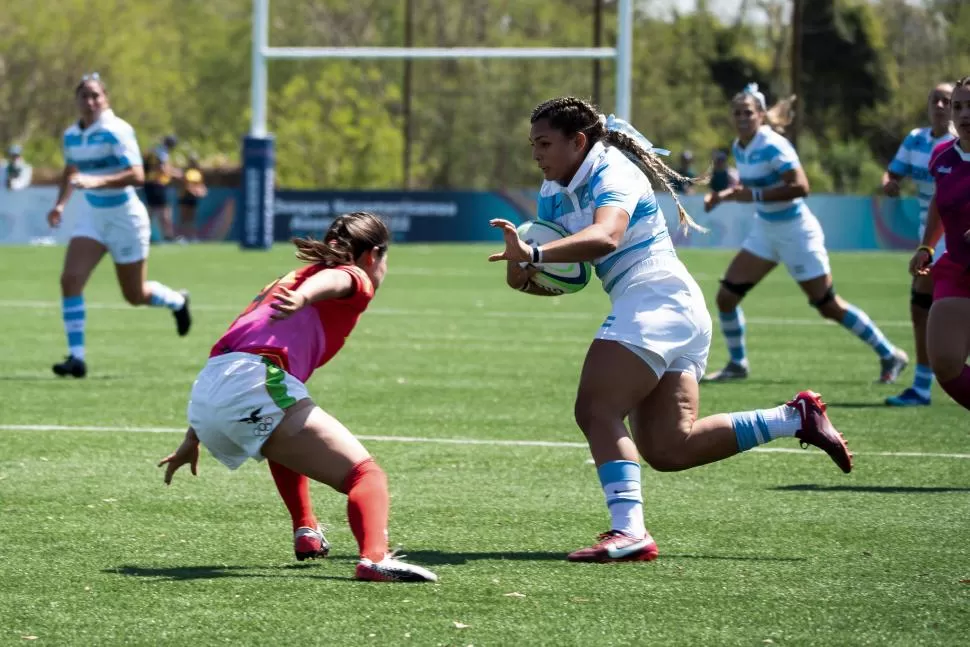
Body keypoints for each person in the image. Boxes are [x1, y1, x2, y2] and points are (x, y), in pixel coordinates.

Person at [488, 96, 852, 563]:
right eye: (532, 144)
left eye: (544, 143)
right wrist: (520, 270)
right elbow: (569, 278)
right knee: (667, 446)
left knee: (596, 408)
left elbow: (606, 237)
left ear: (578, 141)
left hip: (657, 296)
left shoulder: (611, 170)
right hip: (665, 307)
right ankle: (792, 417)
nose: (536, 154)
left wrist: (535, 256)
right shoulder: (551, 192)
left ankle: (629, 531)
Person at [157, 212, 438, 582]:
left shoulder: (284, 282)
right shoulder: (352, 275)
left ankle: (306, 529)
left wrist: (192, 437)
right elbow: (340, 277)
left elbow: (229, 353)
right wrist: (304, 298)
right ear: (372, 256)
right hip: (254, 379)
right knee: (366, 475)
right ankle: (375, 558)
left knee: (281, 434)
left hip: (211, 386)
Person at [702, 83, 908, 383]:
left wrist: (752, 197)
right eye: (737, 113)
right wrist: (722, 196)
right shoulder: (739, 147)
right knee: (726, 298)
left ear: (760, 115)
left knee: (827, 305)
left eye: (748, 112)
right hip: (766, 230)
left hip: (796, 232)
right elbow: (752, 188)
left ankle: (891, 355)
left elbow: (801, 187)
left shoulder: (773, 145)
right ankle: (737, 364)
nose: (742, 118)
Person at [47, 74, 191, 379]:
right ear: (76, 101)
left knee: (134, 294)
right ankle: (77, 358)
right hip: (93, 216)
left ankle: (177, 301)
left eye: (95, 96)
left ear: (106, 99)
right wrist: (60, 204)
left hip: (125, 218)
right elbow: (70, 170)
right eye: (84, 96)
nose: (90, 101)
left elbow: (138, 174)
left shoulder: (117, 130)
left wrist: (97, 181)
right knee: (70, 279)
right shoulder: (72, 135)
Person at [883, 83, 956, 407]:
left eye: (947, 100)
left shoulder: (958, 144)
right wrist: (891, 183)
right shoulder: (916, 140)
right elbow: (893, 172)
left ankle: (925, 386)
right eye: (934, 99)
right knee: (922, 307)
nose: (940, 105)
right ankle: (923, 386)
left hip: (952, 237)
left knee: (929, 307)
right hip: (929, 236)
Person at [910, 76, 970, 412]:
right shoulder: (941, 155)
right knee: (946, 364)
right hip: (958, 269)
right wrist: (927, 246)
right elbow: (938, 202)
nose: (963, 114)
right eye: (959, 106)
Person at [143, 134, 179, 242]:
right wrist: (178, 174)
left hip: (149, 183)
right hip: (157, 183)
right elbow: (162, 169)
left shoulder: (155, 150)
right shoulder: (162, 152)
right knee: (164, 210)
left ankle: (145, 234)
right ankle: (168, 235)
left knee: (151, 210)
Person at [177, 155, 207, 241]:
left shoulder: (198, 173)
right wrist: (195, 191)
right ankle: (181, 236)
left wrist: (202, 191)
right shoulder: (188, 172)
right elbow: (187, 185)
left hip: (193, 198)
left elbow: (200, 185)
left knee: (192, 218)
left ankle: (192, 236)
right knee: (184, 218)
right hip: (185, 196)